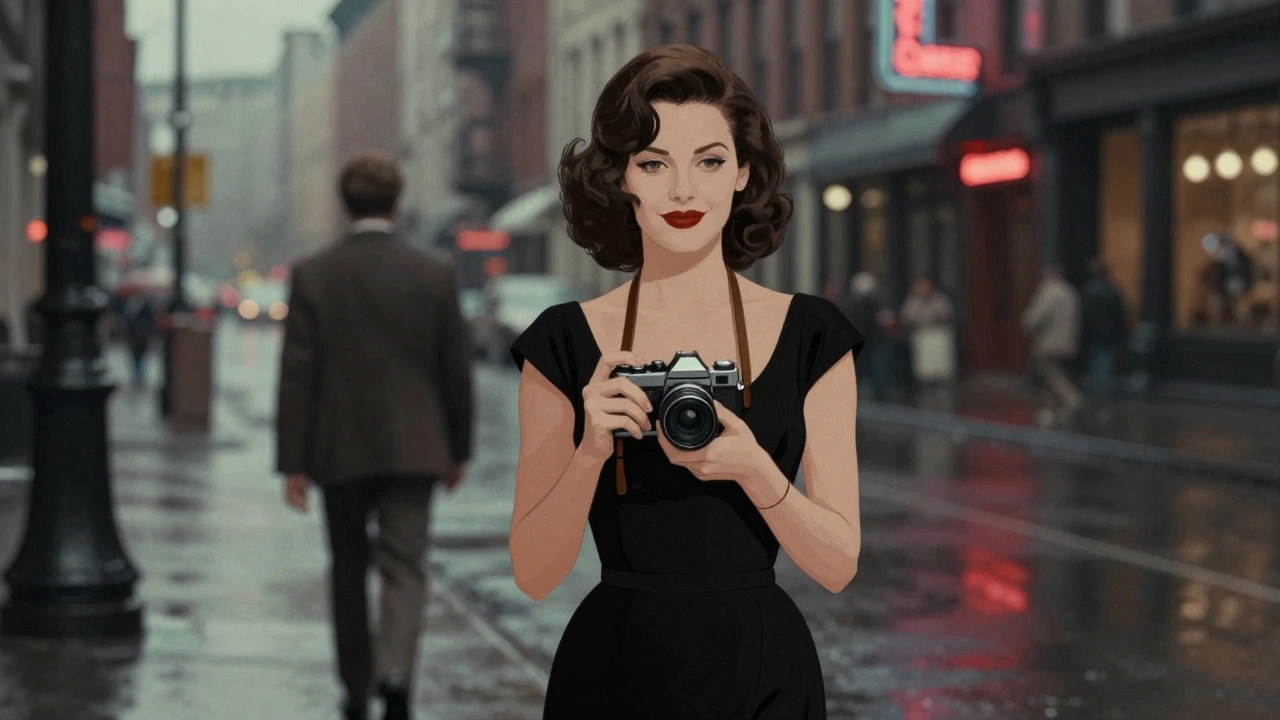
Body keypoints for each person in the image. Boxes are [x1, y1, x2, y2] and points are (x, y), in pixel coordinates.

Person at [508, 44, 863, 719]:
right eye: (653, 163)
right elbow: (533, 573)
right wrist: (588, 455)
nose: (682, 190)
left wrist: (755, 470)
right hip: (612, 671)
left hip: (763, 672)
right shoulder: (562, 342)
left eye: (709, 161)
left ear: (743, 174)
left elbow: (838, 564)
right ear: (620, 179)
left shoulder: (812, 336)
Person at [275, 152, 474, 720]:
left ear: (344, 204)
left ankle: (356, 686)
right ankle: (396, 675)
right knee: (405, 566)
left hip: (337, 447)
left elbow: (298, 374)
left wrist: (292, 462)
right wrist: (458, 449)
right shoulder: (435, 272)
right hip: (417, 446)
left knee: (347, 567)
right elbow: (455, 371)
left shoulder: (314, 273)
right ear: (396, 202)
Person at [1022, 264, 1083, 426]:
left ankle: (1071, 398)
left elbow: (1036, 317)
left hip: (1050, 342)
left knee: (1051, 374)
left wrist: (1027, 322)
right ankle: (1051, 411)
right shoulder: (1069, 291)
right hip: (1068, 342)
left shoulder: (1049, 292)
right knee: (1053, 375)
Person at [1080, 258, 1128, 405]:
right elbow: (1120, 314)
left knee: (1096, 363)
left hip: (1093, 334)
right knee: (1105, 363)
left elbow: (1084, 314)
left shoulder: (1088, 290)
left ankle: (1099, 393)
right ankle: (1103, 393)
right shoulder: (1112, 290)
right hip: (1109, 334)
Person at [839, 272, 893, 402]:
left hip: (866, 343)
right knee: (875, 372)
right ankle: (878, 396)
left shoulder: (851, 305)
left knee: (864, 372)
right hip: (872, 342)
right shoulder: (875, 304)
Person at [900, 275, 956, 397]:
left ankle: (941, 386)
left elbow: (947, 315)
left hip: (937, 335)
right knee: (924, 366)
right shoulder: (912, 301)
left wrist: (936, 318)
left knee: (940, 364)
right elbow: (906, 317)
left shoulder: (939, 300)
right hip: (922, 335)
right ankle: (925, 388)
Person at [120, 291, 157, 387]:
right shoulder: (130, 308)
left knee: (140, 358)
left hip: (141, 337)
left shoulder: (145, 307)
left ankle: (139, 377)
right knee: (135, 358)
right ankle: (138, 377)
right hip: (135, 337)